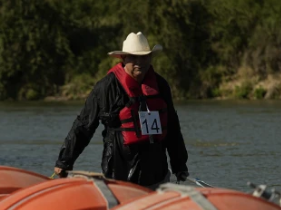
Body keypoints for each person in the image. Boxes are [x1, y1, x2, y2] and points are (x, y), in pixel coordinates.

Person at [54, 32, 189, 189]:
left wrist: (179, 165)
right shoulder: (106, 87)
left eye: (144, 57)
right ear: (123, 59)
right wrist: (64, 161)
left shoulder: (160, 85)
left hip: (156, 173)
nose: (139, 62)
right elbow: (84, 125)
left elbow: (172, 127)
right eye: (133, 57)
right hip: (119, 173)